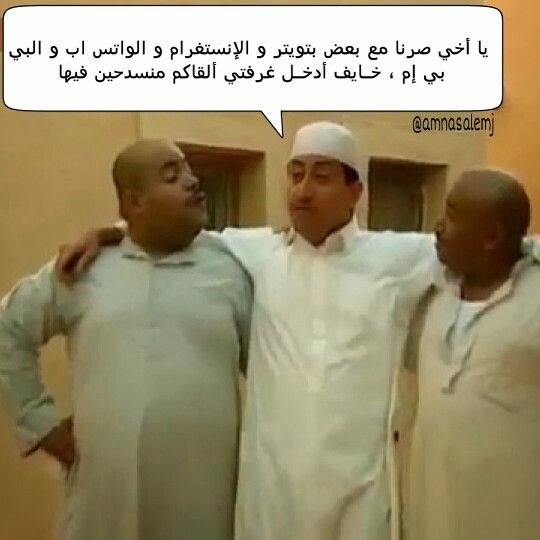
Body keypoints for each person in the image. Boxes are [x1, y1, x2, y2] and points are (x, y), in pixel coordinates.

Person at [56, 123, 538, 540]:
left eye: (322, 177)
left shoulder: (400, 258)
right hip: (271, 494)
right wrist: (107, 232)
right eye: (295, 174)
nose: (303, 191)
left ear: (355, 191)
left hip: (360, 494)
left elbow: (498, 244)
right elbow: (164, 228)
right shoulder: (255, 254)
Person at [0, 139, 252, 540]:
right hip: (103, 503)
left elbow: (273, 367)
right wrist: (39, 421)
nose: (192, 181)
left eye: (189, 170)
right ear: (134, 202)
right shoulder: (81, 268)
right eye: (172, 175)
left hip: (206, 503)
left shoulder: (233, 266)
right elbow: (8, 329)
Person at [399, 169, 540, 540]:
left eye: (451, 215)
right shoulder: (430, 291)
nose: (437, 227)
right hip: (433, 514)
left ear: (491, 237)